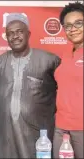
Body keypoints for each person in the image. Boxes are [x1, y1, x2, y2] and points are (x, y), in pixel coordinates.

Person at [0, 13, 61, 158]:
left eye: (19, 31)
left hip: (38, 134)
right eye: (10, 33)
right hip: (6, 134)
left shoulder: (50, 60)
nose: (15, 36)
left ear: (28, 34)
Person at [53, 2, 83, 158]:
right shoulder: (64, 54)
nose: (73, 29)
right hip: (61, 128)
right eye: (68, 26)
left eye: (79, 23)